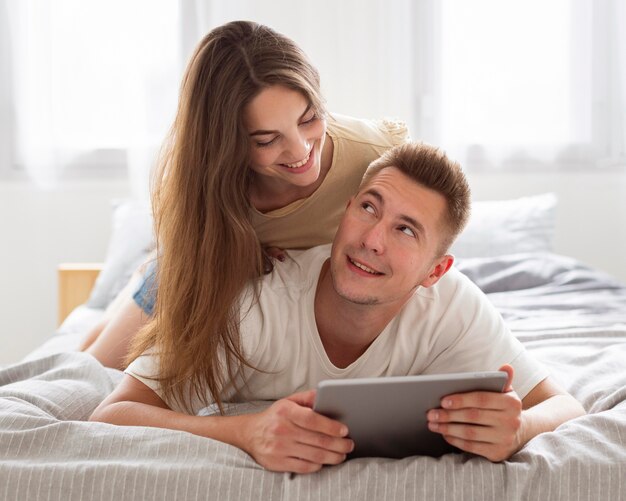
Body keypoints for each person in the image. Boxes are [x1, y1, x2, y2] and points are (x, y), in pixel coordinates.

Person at [90, 142, 586, 474]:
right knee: (104, 343)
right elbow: (110, 414)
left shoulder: (453, 305)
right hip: (179, 281)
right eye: (369, 207)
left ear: (435, 272)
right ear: (346, 210)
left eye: (405, 229)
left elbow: (565, 406)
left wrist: (519, 427)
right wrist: (242, 430)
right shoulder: (255, 305)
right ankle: (144, 271)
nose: (371, 240)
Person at [78, 20, 409, 369]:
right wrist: (241, 256)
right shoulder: (207, 187)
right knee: (95, 365)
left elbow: (428, 234)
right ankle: (120, 297)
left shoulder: (378, 155)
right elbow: (191, 263)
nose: (300, 150)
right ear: (227, 144)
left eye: (309, 118)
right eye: (267, 140)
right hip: (200, 267)